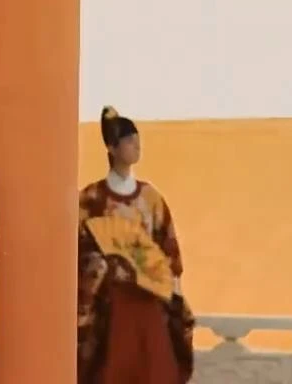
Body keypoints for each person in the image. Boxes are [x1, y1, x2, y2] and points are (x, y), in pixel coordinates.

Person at [77, 106, 195, 384]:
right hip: (110, 302)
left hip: (149, 299)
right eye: (129, 140)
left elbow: (167, 248)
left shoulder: (151, 198)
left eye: (137, 139)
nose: (136, 145)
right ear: (111, 147)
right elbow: (78, 248)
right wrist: (101, 266)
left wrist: (165, 282)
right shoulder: (92, 199)